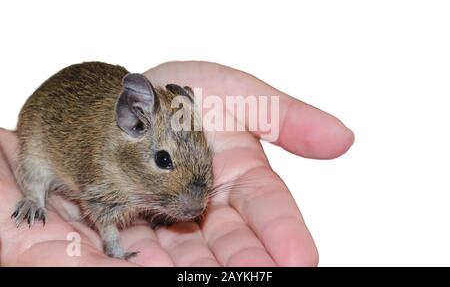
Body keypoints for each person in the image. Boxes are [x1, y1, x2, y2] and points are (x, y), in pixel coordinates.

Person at [0, 61, 354, 266]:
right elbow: (100, 207)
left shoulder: (176, 120)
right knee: (34, 171)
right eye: (164, 161)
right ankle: (34, 197)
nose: (198, 205)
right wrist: (114, 248)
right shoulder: (107, 159)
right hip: (43, 123)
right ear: (133, 122)